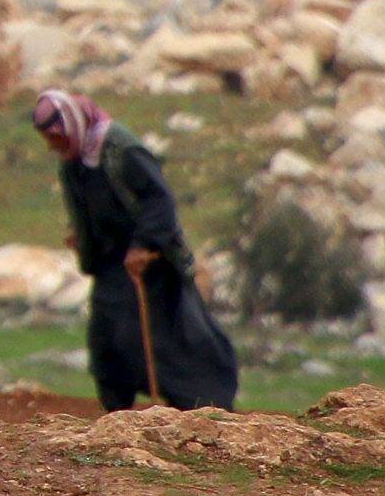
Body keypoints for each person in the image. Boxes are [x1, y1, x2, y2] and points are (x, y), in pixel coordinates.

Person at [35, 89, 239, 412]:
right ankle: (118, 419)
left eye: (56, 139)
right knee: (107, 348)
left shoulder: (121, 148)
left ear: (72, 125)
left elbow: (159, 201)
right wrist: (84, 236)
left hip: (151, 269)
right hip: (111, 267)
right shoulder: (72, 160)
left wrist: (142, 244)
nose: (53, 147)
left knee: (167, 347)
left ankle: (203, 409)